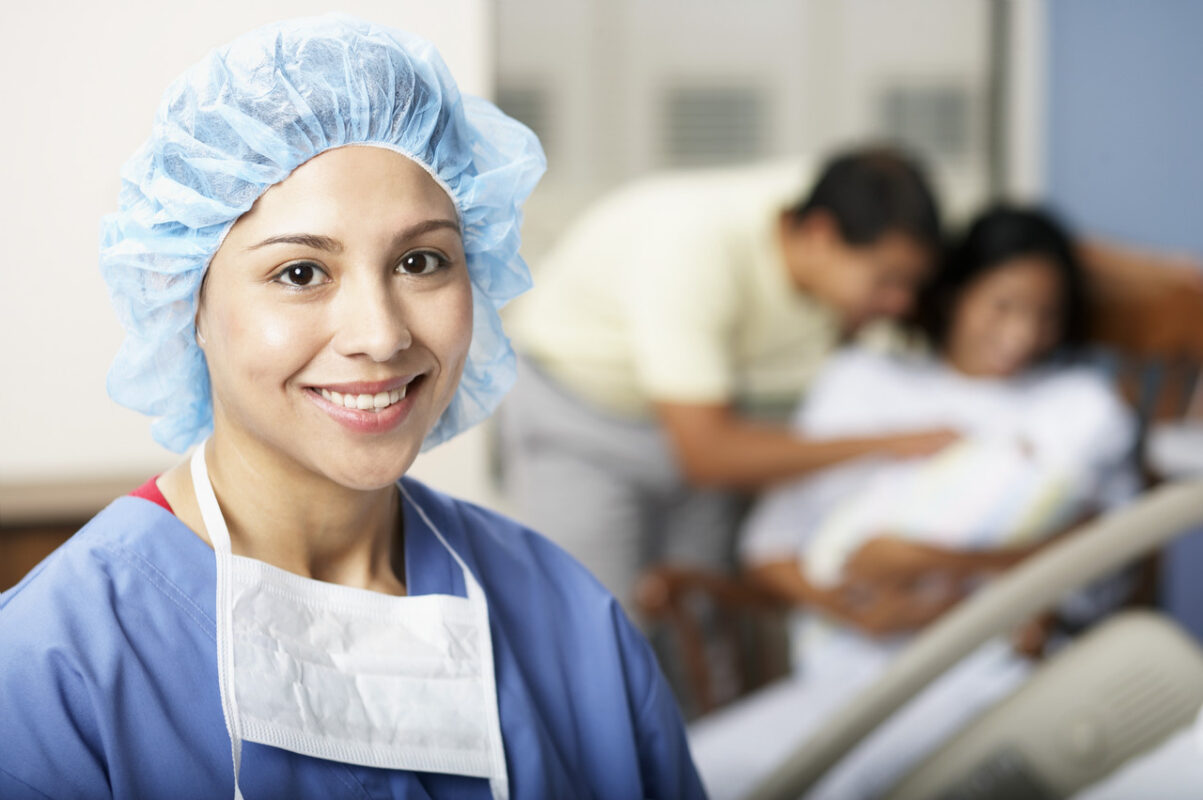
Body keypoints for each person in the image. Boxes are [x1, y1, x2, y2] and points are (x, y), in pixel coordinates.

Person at [0, 16, 703, 799]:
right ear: (182, 295)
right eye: (301, 273)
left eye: (420, 260)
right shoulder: (53, 667)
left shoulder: (568, 621)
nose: (380, 334)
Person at [688, 206, 1140, 799]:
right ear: (954, 295)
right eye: (1002, 305)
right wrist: (853, 607)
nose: (1023, 334)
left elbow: (1104, 562)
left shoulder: (1074, 412)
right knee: (701, 769)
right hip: (855, 667)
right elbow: (770, 551)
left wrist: (925, 561)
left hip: (997, 672)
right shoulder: (864, 385)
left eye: (1047, 315)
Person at [501, 150, 959, 610]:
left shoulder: (834, 207)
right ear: (820, 235)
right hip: (580, 415)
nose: (900, 302)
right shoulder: (695, 249)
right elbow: (707, 452)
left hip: (693, 414)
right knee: (595, 622)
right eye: (887, 281)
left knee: (702, 616)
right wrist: (886, 444)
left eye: (911, 285)